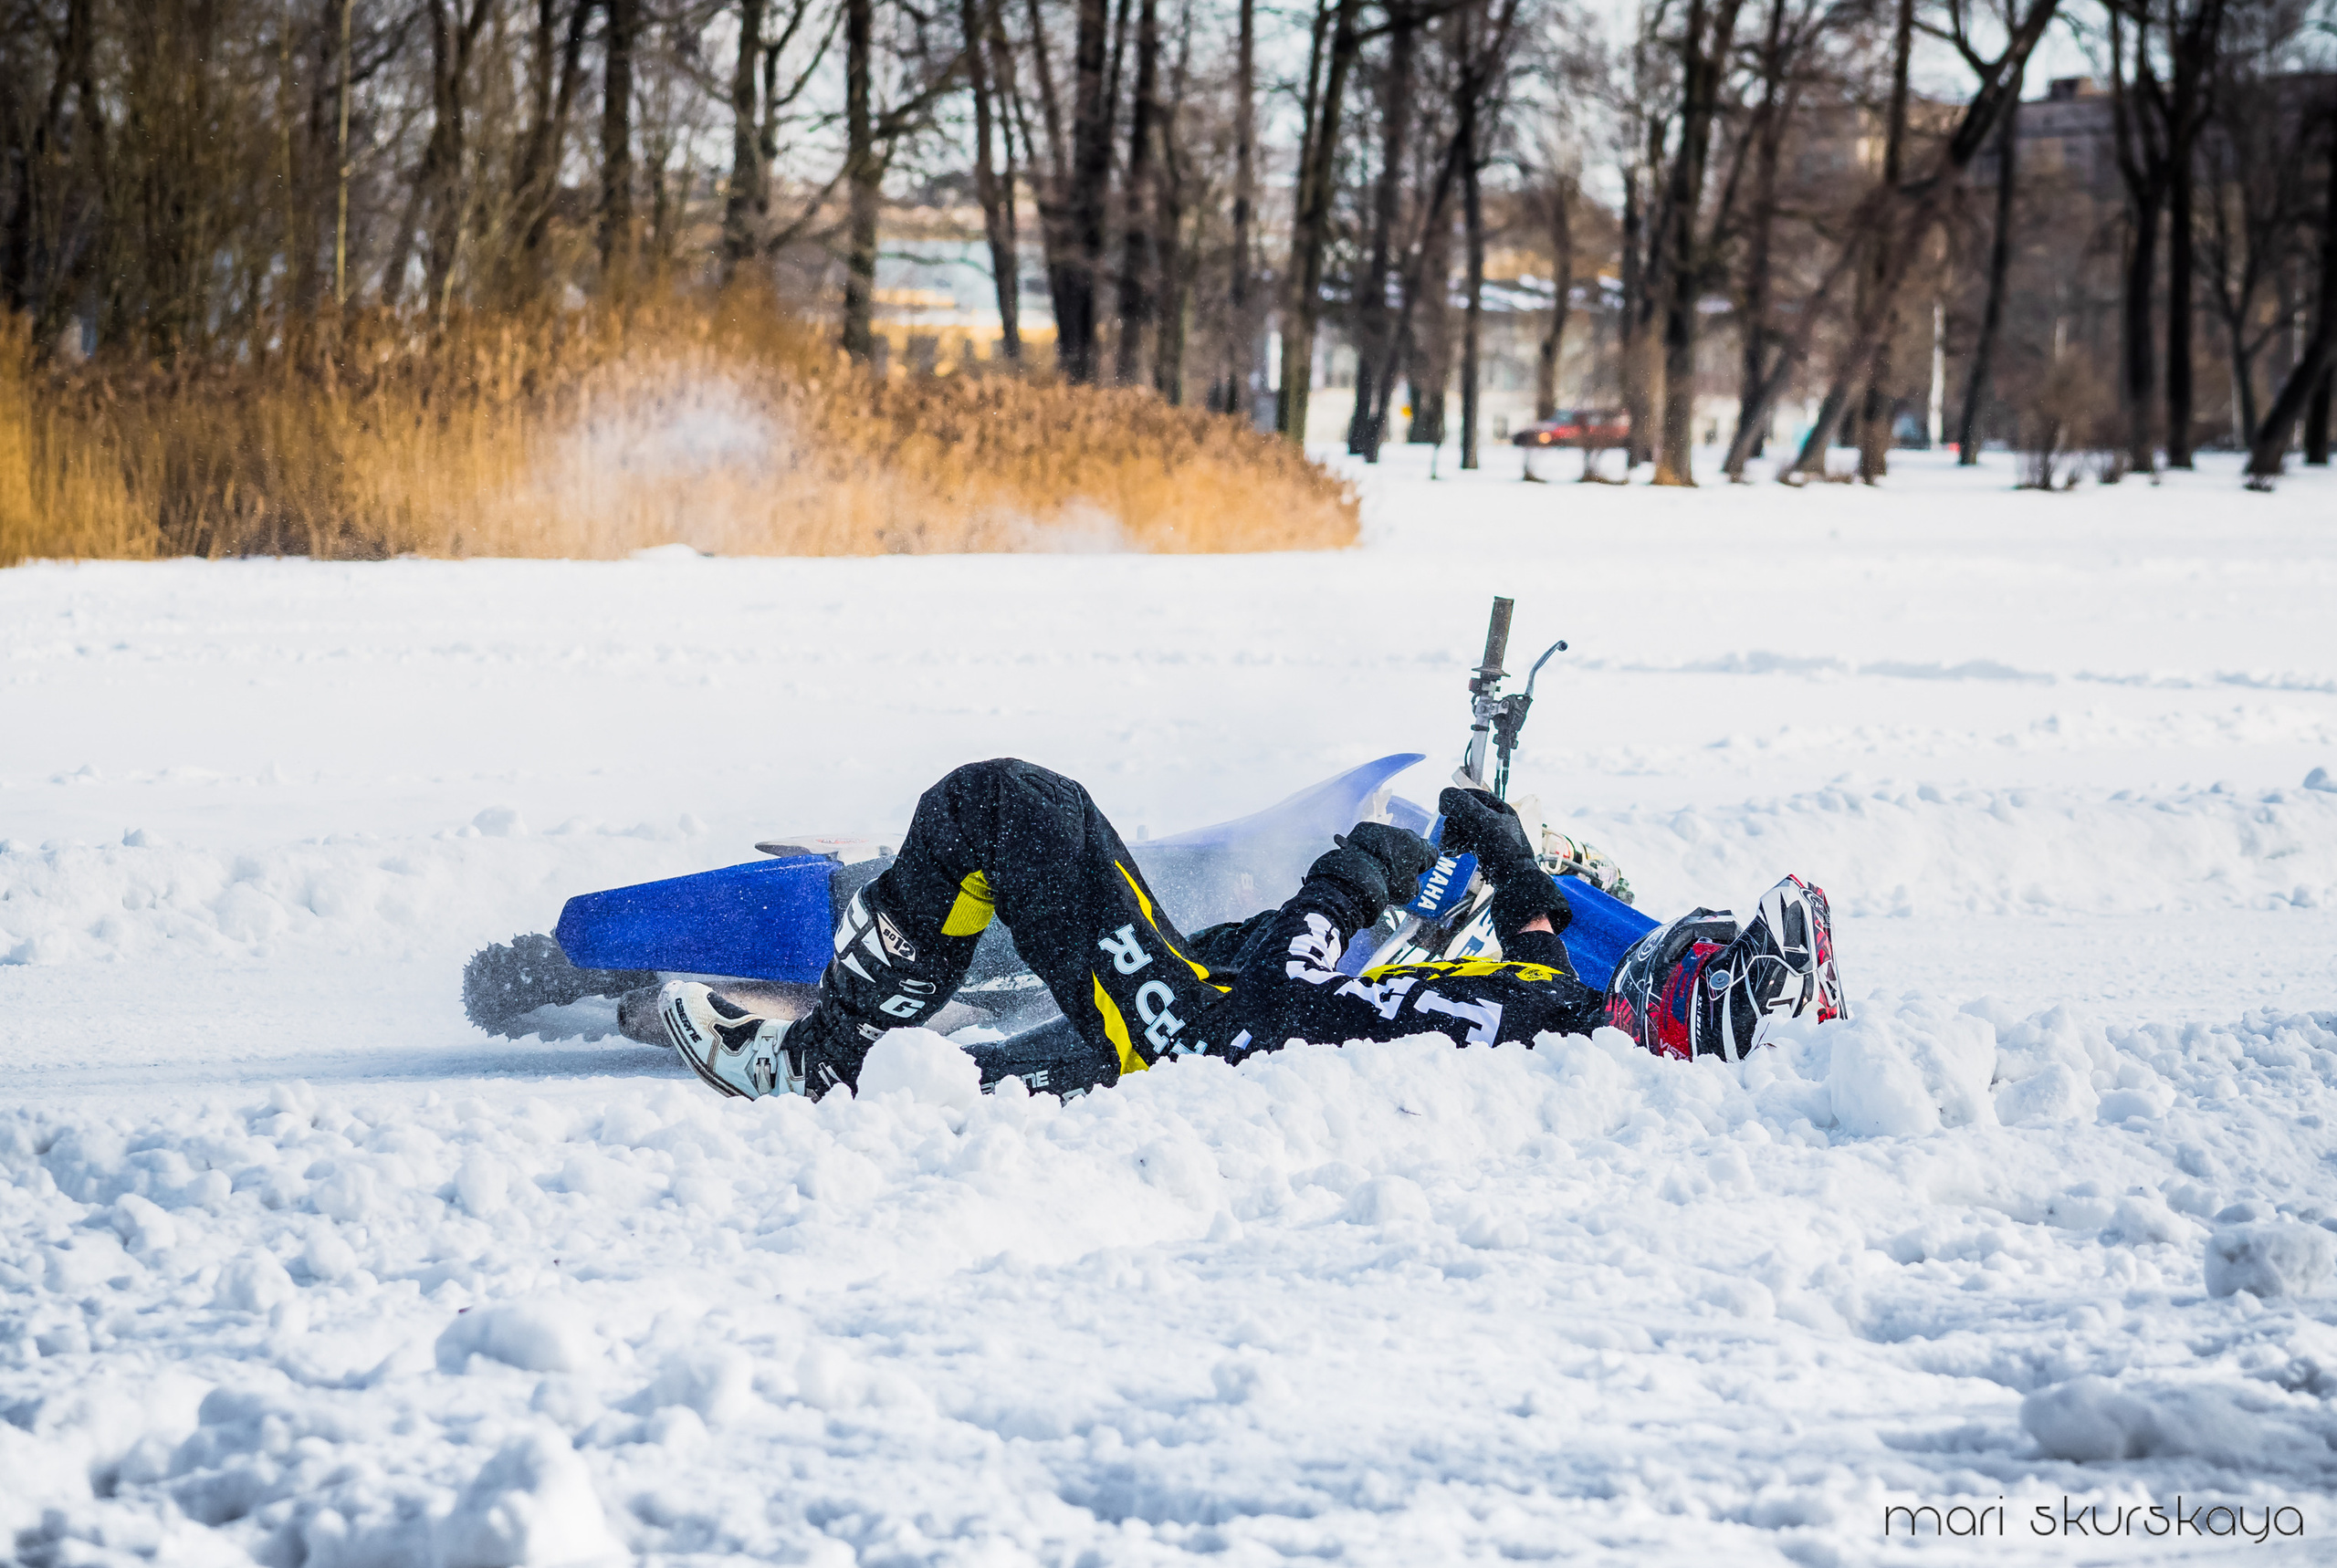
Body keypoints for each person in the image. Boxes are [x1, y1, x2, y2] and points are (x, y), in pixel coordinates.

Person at [657, 758, 1844, 1101]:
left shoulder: (1545, 1030)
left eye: (1693, 963)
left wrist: (1349, 880)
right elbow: (1533, 947)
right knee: (1179, 933)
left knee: (1010, 805)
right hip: (1214, 1019)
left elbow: (1294, 993)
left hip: (1207, 1033)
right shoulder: (1574, 1024)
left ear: (1690, 1009)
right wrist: (1513, 853)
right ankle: (909, 1055)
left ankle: (818, 1062)